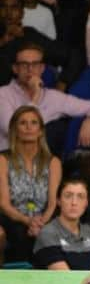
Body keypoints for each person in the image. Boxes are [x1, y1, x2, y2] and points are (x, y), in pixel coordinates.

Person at [0, 42, 90, 155]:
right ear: (15, 69)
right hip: (8, 157)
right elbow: (13, 130)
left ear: (42, 68)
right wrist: (35, 97)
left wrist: (88, 122)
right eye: (24, 64)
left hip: (40, 161)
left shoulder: (53, 97)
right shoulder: (3, 93)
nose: (30, 69)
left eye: (35, 64)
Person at [0, 106, 61, 262]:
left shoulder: (53, 162)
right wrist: (28, 221)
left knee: (46, 233)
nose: (28, 127)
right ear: (15, 129)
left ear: (40, 131)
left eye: (34, 123)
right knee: (20, 233)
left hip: (44, 217)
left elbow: (53, 202)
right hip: (11, 216)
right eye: (23, 123)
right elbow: (4, 204)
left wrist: (40, 222)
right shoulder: (3, 160)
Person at [33, 177, 90, 270]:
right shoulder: (48, 233)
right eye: (68, 196)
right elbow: (64, 277)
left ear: (86, 203)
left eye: (80, 196)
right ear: (59, 201)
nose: (74, 202)